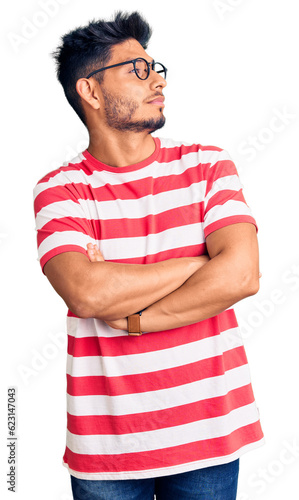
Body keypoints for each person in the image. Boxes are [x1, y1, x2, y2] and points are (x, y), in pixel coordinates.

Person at [33, 11, 264, 500]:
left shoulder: (207, 165)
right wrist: (199, 265)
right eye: (137, 69)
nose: (156, 78)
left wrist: (137, 319)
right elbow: (88, 292)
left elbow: (242, 276)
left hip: (210, 432)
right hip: (107, 449)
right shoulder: (60, 191)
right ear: (91, 92)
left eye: (156, 66)